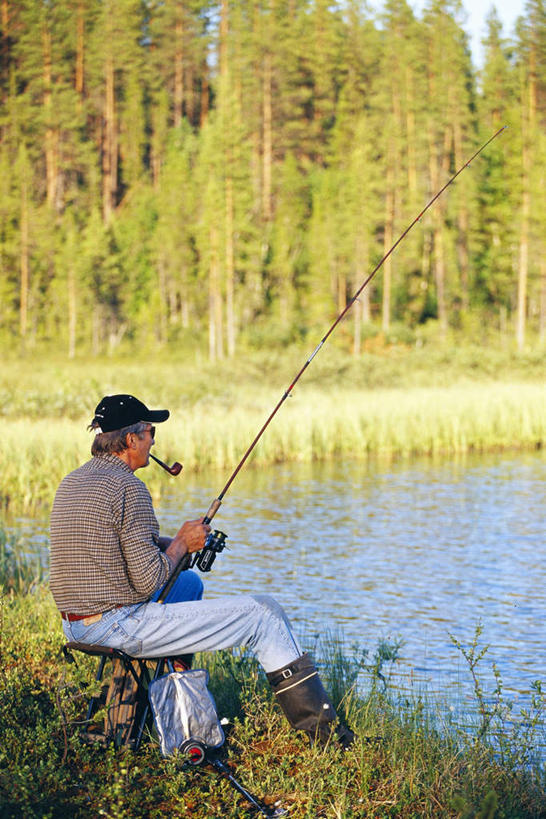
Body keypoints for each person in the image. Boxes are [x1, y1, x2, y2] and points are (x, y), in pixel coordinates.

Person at [50, 394, 354, 749]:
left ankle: (178, 698)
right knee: (264, 614)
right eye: (149, 431)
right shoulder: (130, 488)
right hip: (117, 626)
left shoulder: (72, 481)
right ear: (131, 440)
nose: (154, 440)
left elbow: (112, 545)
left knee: (189, 582)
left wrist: (171, 542)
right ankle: (329, 740)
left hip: (75, 623)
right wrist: (181, 543)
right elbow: (149, 579)